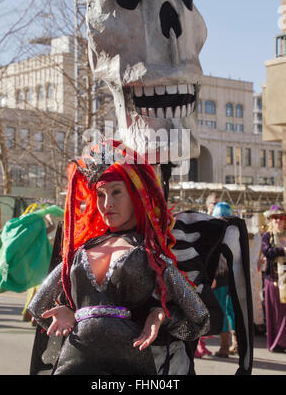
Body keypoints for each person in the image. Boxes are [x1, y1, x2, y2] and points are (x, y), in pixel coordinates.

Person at [28, 140, 210, 375]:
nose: (107, 204)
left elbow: (200, 318)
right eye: (100, 194)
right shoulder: (80, 250)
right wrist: (65, 311)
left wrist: (161, 317)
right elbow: (38, 306)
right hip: (75, 361)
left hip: (129, 366)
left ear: (136, 195)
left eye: (116, 192)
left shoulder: (151, 253)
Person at [211, 202, 238, 357]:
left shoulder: (217, 233)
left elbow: (214, 258)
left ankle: (225, 347)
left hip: (222, 278)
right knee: (230, 310)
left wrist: (212, 276)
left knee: (223, 310)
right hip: (230, 277)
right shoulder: (235, 233)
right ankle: (235, 344)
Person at [262, 205, 286, 353]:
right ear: (271, 220)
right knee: (276, 313)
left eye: (281, 217)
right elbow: (267, 251)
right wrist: (283, 250)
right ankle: (277, 343)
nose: (278, 220)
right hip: (274, 279)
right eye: (275, 218)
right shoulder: (267, 236)